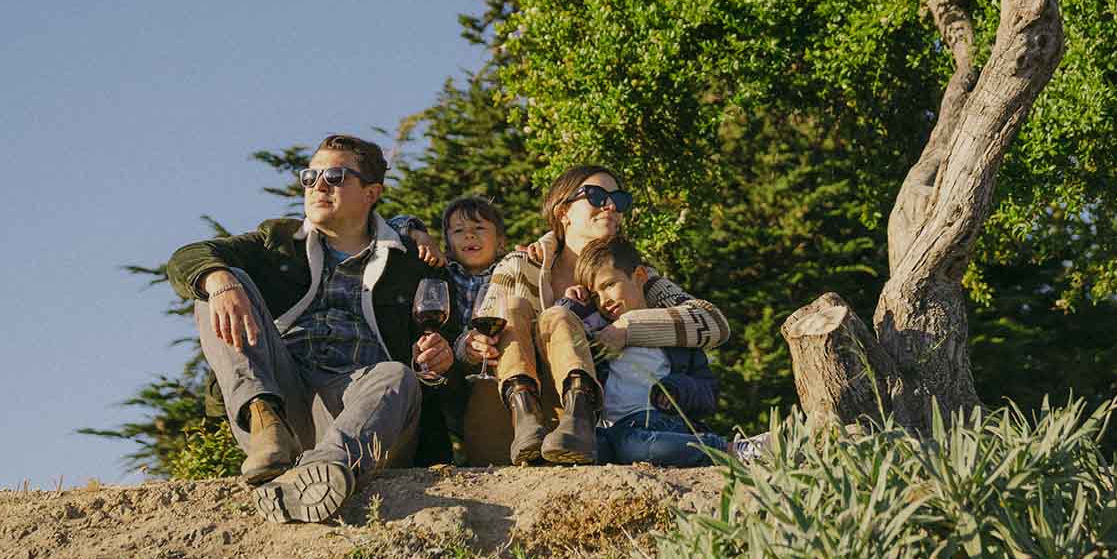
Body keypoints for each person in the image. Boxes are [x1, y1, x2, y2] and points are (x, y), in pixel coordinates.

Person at [165, 134, 453, 522]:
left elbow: (451, 348)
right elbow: (188, 256)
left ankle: (321, 469)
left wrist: (441, 358)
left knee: (395, 375)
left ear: (371, 193)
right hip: (289, 403)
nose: (318, 185)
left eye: (335, 176)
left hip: (369, 414)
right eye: (310, 176)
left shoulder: (412, 264)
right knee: (215, 282)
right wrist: (220, 282)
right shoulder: (277, 241)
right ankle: (265, 422)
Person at [465, 164, 727, 466]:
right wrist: (472, 346)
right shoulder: (521, 265)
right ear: (564, 212)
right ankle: (526, 415)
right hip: (512, 423)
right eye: (596, 195)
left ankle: (578, 417)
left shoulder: (635, 276)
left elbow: (712, 322)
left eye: (619, 199)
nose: (612, 206)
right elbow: (476, 334)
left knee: (557, 318)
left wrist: (627, 328)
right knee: (519, 310)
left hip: (591, 430)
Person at [567, 239, 729, 466]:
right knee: (593, 447)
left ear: (640, 275)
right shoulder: (599, 334)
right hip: (614, 429)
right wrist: (573, 302)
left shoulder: (674, 331)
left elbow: (709, 392)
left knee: (630, 445)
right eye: (595, 295)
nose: (604, 301)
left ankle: (728, 449)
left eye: (609, 285)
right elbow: (560, 333)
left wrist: (677, 390)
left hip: (661, 422)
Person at [386, 196, 509, 464]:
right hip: (452, 372)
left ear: (501, 242)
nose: (469, 236)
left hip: (496, 367)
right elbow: (389, 225)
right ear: (448, 245)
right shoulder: (441, 273)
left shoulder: (509, 271)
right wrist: (417, 232)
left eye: (479, 229)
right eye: (458, 231)